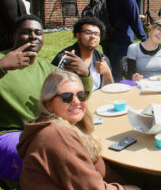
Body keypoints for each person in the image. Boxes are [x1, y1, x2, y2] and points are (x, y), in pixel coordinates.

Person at [18, 71, 148, 190]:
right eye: (66, 97)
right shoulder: (59, 135)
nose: (76, 102)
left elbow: (97, 170)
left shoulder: (48, 127)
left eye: (81, 95)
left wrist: (120, 182)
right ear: (49, 104)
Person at [0, 15, 92, 181]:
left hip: (47, 131)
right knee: (47, 153)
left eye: (38, 32)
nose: (33, 36)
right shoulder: (2, 61)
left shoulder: (49, 70)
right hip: (10, 134)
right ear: (14, 36)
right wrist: (2, 67)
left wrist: (85, 74)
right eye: (26, 32)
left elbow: (78, 100)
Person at [52, 17, 113, 91]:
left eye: (96, 34)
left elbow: (110, 90)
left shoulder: (102, 59)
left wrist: (107, 73)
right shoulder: (66, 58)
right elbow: (54, 88)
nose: (93, 36)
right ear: (78, 35)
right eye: (88, 32)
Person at [102, 0, 147, 82]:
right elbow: (134, 19)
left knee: (108, 72)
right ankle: (117, 94)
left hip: (105, 38)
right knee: (119, 74)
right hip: (121, 40)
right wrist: (144, 38)